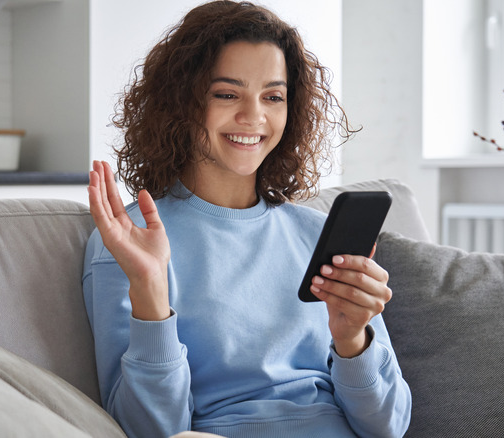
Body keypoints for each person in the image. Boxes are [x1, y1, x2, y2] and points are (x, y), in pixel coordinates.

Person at [82, 1, 412, 437]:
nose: (253, 116)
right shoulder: (128, 242)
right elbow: (152, 430)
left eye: (273, 96)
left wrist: (353, 341)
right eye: (226, 93)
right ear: (181, 102)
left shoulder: (316, 234)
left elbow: (389, 427)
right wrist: (150, 295)